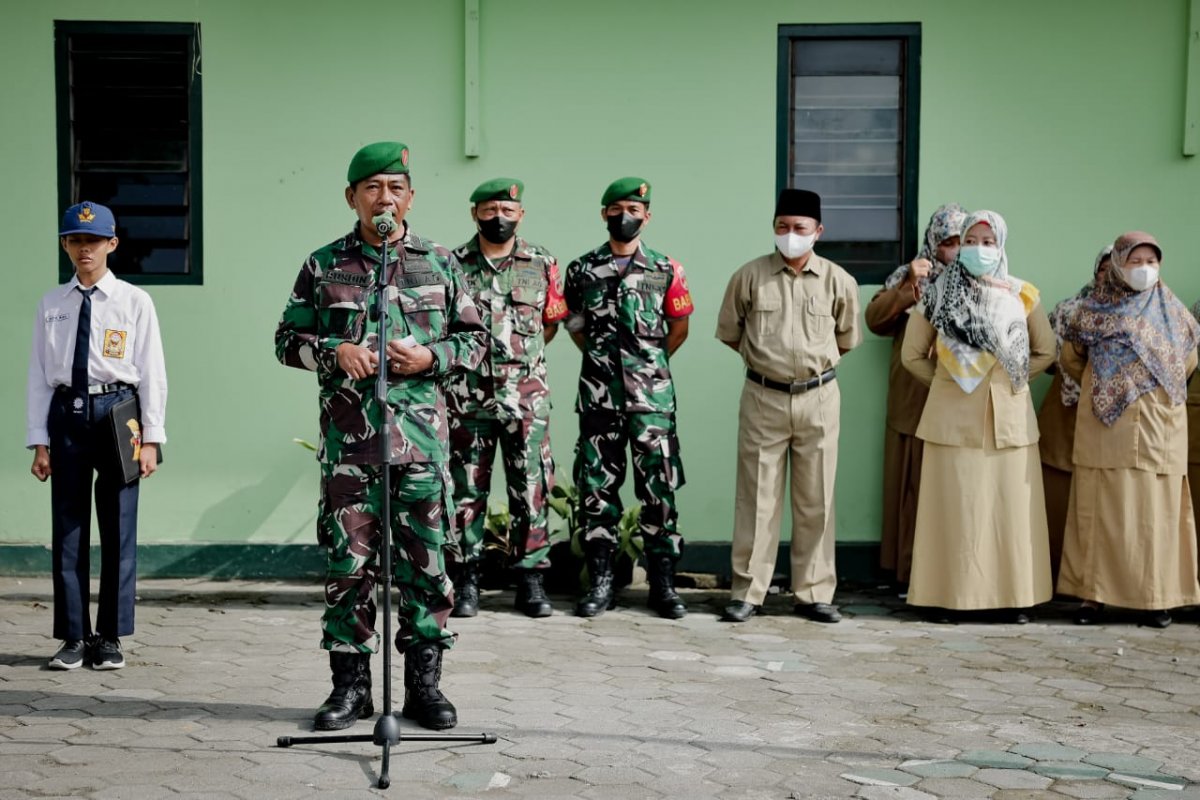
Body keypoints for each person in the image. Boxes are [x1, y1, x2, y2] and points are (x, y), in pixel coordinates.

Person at [274, 142, 489, 731]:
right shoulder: (325, 265)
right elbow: (284, 341)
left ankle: (424, 689)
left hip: (420, 447)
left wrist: (431, 357)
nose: (384, 198)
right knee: (349, 569)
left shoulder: (441, 263)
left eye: (395, 187)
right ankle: (351, 691)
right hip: (351, 451)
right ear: (353, 198)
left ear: (411, 197)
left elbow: (476, 344)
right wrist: (332, 351)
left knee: (425, 568)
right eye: (372, 188)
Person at [27, 201, 167, 670]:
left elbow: (152, 372)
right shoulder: (52, 304)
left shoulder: (134, 301)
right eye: (74, 240)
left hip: (118, 412)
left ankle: (109, 636)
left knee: (118, 526)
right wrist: (39, 440)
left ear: (112, 244)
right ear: (65, 245)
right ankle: (72, 635)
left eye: (92, 240)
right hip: (66, 412)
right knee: (68, 528)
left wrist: (151, 437)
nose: (83, 249)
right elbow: (38, 376)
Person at [715, 188, 861, 624]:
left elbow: (847, 338)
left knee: (816, 496)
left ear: (818, 231)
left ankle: (814, 592)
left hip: (819, 397)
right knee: (756, 498)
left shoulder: (839, 280)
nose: (790, 236)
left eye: (800, 228)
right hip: (763, 395)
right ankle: (748, 592)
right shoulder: (749, 277)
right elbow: (730, 331)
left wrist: (809, 371)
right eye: (782, 227)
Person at [901, 210, 1053, 624]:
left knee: (1009, 511)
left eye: (988, 242)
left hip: (1008, 419)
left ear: (1001, 245)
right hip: (952, 419)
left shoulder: (1022, 294)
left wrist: (1010, 379)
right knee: (956, 509)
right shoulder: (934, 295)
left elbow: (1046, 351)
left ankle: (1016, 598)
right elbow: (911, 355)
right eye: (971, 241)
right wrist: (948, 381)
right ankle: (947, 598)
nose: (980, 249)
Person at [563, 177, 693, 619]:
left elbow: (679, 328)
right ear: (604, 214)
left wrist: (643, 367)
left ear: (647, 216)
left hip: (652, 402)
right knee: (597, 491)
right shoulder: (582, 270)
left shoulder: (666, 268)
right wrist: (607, 366)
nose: (625, 216)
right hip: (599, 399)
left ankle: (663, 585)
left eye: (635, 209)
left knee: (660, 491)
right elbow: (576, 327)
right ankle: (601, 582)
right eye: (617, 208)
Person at [1057, 231, 1200, 628]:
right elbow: (1071, 358)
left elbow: (1186, 365)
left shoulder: (1176, 314)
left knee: (1155, 515)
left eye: (1150, 262)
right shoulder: (1092, 310)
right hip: (1105, 426)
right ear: (1118, 264)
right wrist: (1106, 386)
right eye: (1134, 262)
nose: (1143, 270)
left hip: (1159, 428)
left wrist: (1143, 387)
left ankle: (1158, 600)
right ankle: (1092, 597)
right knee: (1099, 512)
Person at [446, 178, 567, 618]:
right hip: (467, 399)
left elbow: (550, 324)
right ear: (475, 212)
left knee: (532, 488)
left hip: (527, 400)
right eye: (490, 209)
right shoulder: (452, 265)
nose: (499, 217)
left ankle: (532, 582)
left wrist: (520, 363)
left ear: (521, 214)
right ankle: (466, 582)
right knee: (464, 492)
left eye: (508, 210)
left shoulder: (542, 262)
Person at [864, 204, 966, 590]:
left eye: (963, 242)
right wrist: (909, 284)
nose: (954, 250)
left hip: (960, 399)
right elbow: (875, 320)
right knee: (911, 485)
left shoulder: (982, 282)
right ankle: (907, 572)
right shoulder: (911, 276)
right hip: (913, 398)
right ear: (933, 242)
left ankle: (948, 571)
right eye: (948, 242)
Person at [1038, 246, 1111, 583]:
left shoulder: (1141, 315)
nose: (1109, 277)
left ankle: (1093, 581)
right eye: (1104, 269)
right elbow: (1050, 362)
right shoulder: (1068, 309)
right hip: (1064, 415)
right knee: (1058, 497)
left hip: (1111, 423)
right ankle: (1052, 576)